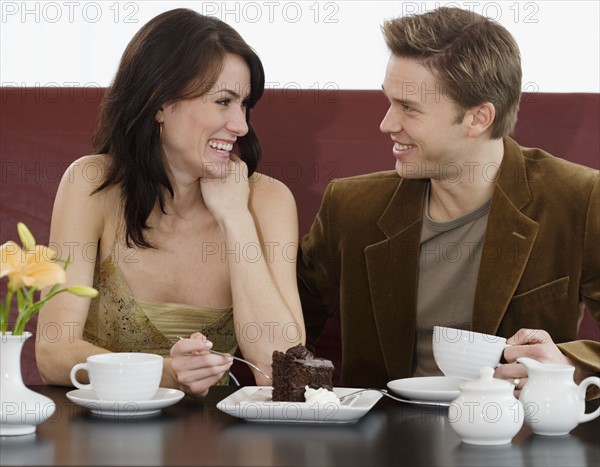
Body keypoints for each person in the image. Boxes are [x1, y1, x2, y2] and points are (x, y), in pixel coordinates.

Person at [297, 7, 599, 396]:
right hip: (380, 441)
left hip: (514, 439)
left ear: (478, 118)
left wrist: (570, 366)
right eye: (389, 101)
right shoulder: (351, 207)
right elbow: (285, 323)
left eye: (408, 107)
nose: (386, 123)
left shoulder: (578, 199)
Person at [36, 8, 304, 397]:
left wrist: (235, 216)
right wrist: (165, 373)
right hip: (100, 432)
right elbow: (53, 354)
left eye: (244, 104)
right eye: (223, 101)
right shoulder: (90, 184)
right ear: (160, 103)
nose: (241, 125)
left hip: (216, 442)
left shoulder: (268, 200)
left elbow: (277, 369)